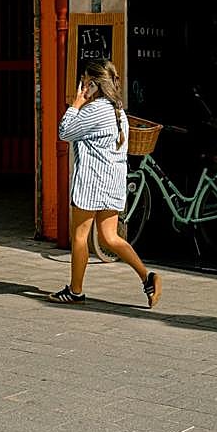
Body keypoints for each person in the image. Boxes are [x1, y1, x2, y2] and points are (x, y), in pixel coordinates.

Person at [47, 58, 161, 308]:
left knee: (79, 236)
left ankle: (75, 291)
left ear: (95, 84)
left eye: (85, 82)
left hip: (91, 182)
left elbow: (64, 131)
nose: (83, 86)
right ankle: (147, 277)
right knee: (110, 238)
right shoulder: (117, 109)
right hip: (113, 182)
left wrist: (76, 103)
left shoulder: (94, 110)